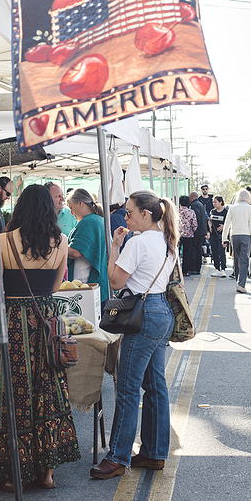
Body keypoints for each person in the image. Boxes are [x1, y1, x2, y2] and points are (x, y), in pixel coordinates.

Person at [0, 184, 78, 491]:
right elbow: (55, 288)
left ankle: (13, 472)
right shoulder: (61, 241)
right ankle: (47, 473)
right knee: (48, 392)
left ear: (20, 208)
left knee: (14, 394)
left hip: (15, 323)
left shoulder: (3, 241)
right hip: (47, 320)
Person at [90, 190, 180, 480]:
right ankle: (154, 452)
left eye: (129, 212)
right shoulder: (167, 241)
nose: (125, 217)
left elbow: (116, 281)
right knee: (155, 386)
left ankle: (117, 456)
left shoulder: (138, 242)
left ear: (146, 214)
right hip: (161, 311)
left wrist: (115, 246)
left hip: (142, 314)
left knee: (127, 387)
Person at [65, 188, 108, 304]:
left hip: (87, 285)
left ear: (80, 204)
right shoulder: (98, 220)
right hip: (97, 285)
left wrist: (56, 246)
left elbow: (76, 252)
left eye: (71, 208)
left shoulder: (89, 221)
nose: (71, 213)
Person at [223, 188, 251, 293]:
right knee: (244, 260)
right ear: (248, 197)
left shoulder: (232, 207)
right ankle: (241, 284)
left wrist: (224, 238)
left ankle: (238, 282)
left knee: (236, 260)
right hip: (246, 235)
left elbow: (227, 223)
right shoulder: (250, 208)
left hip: (234, 235)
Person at [208, 196, 228, 278]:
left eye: (215, 202)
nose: (214, 204)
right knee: (214, 252)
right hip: (213, 235)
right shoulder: (212, 211)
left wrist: (224, 226)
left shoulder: (226, 212)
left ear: (220, 202)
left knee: (222, 252)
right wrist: (209, 226)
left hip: (222, 236)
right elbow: (209, 220)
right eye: (213, 202)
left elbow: (229, 222)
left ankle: (223, 269)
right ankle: (217, 268)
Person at [189, 191, 208, 274]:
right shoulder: (200, 204)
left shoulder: (194, 205)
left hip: (197, 231)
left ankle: (193, 267)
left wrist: (194, 227)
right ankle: (198, 268)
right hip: (202, 230)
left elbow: (196, 216)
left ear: (192, 197)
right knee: (198, 248)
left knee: (193, 249)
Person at [178, 195, 197, 276]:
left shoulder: (176, 211)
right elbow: (195, 224)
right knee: (187, 253)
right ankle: (185, 271)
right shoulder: (191, 212)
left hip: (177, 235)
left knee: (176, 253)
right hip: (189, 235)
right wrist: (192, 230)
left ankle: (177, 271)